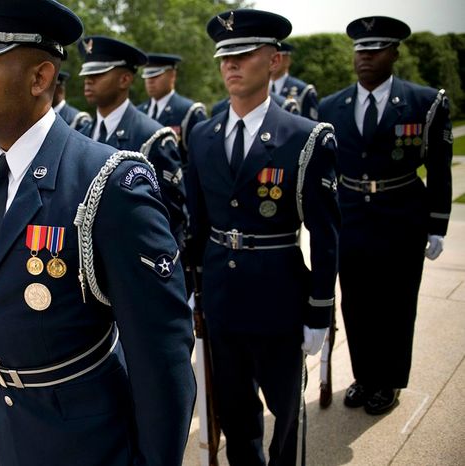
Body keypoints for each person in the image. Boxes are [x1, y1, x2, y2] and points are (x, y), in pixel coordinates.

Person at [0, 1, 195, 464]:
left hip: (90, 441)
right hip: (8, 426)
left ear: (39, 78)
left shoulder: (109, 181)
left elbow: (161, 355)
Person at [185, 9, 339, 465]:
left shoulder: (305, 137)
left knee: (285, 411)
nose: (231, 65)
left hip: (279, 295)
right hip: (222, 297)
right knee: (234, 410)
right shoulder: (203, 135)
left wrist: (319, 311)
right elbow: (196, 224)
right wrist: (194, 290)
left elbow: (325, 233)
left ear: (273, 61)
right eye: (225, 57)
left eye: (244, 55)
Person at [319, 16, 452, 416]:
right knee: (356, 302)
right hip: (353, 215)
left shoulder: (424, 102)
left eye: (375, 49)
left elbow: (440, 166)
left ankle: (389, 380)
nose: (366, 57)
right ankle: (364, 376)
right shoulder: (331, 106)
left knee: (395, 305)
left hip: (402, 214)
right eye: (360, 49)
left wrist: (437, 224)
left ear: (395, 52)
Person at [77, 35, 189, 247]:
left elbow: (171, 218)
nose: (88, 80)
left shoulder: (153, 137)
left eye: (98, 73)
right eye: (87, 74)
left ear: (125, 80)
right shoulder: (83, 133)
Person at [138, 53, 207, 154]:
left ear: (172, 75)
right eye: (147, 76)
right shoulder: (139, 111)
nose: (150, 81)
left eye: (156, 75)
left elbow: (199, 155)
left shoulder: (188, 111)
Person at [271, 42, 319, 120]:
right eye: (270, 58)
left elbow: (310, 124)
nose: (273, 62)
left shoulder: (303, 90)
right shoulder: (259, 88)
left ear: (288, 61)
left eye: (278, 58)